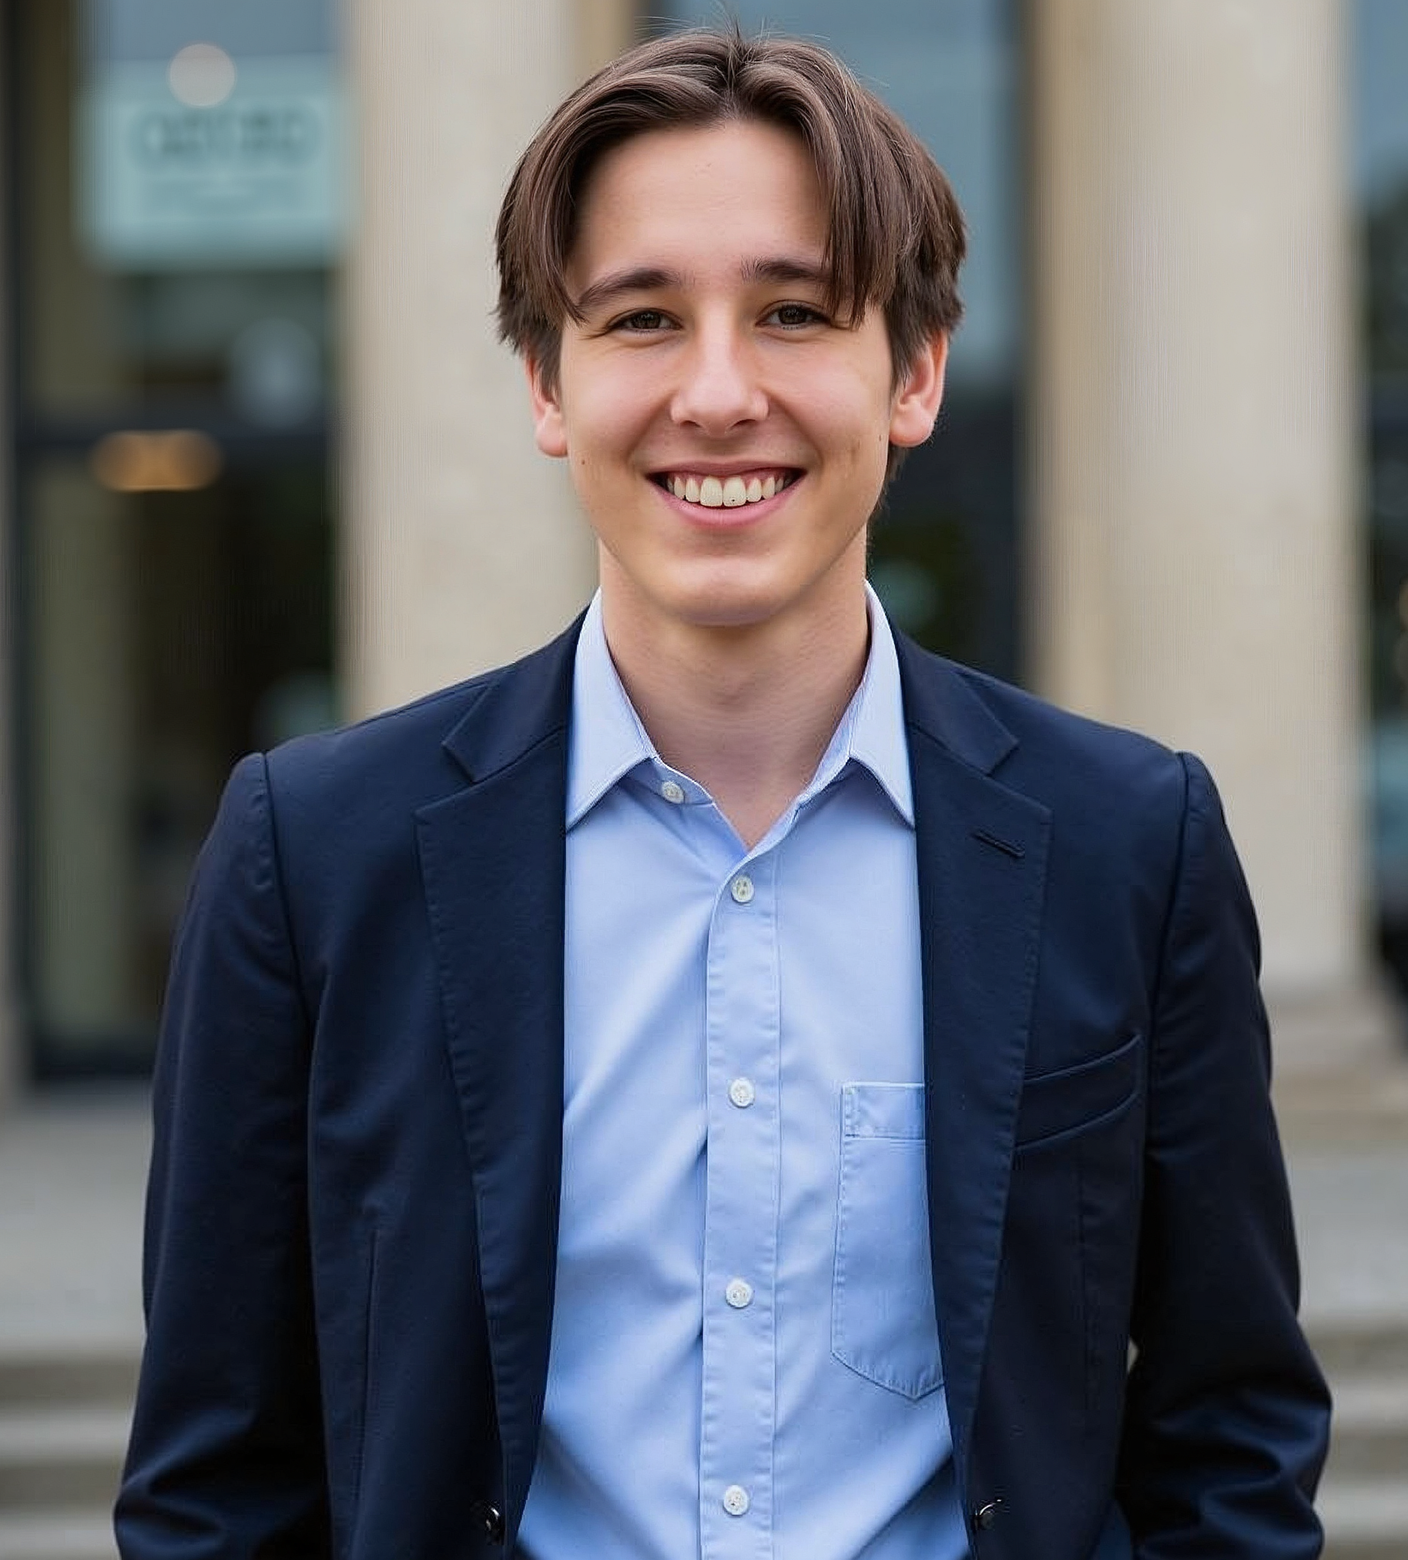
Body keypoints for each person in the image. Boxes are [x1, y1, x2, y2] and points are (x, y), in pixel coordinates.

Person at [115, 25, 1330, 1560]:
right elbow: (216, 1485)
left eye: (796, 311)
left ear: (916, 372)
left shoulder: (1128, 845)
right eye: (638, 318)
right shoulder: (315, 855)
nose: (717, 392)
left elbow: (1231, 1443)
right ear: (548, 384)